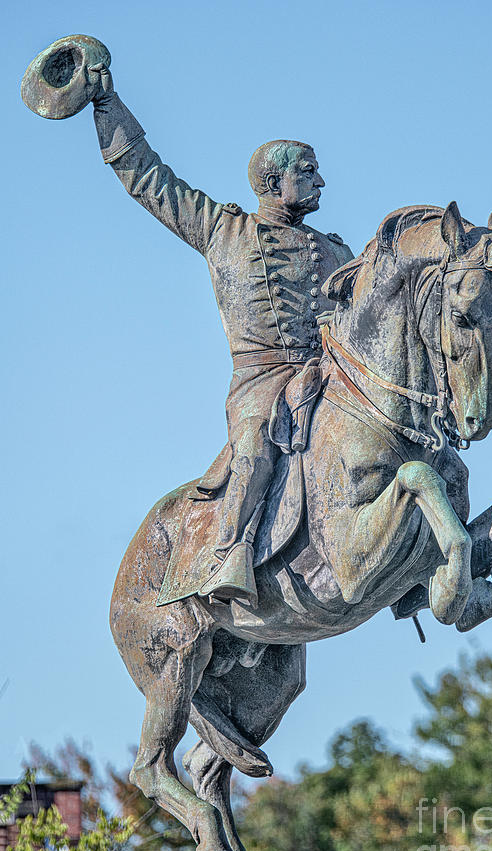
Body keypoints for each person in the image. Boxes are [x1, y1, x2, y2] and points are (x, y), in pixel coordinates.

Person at [89, 63, 354, 604]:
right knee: (254, 443)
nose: (321, 181)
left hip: (328, 378)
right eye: (308, 171)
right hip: (261, 379)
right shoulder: (223, 229)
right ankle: (230, 554)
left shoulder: (338, 252)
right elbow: (146, 175)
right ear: (272, 182)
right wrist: (105, 102)